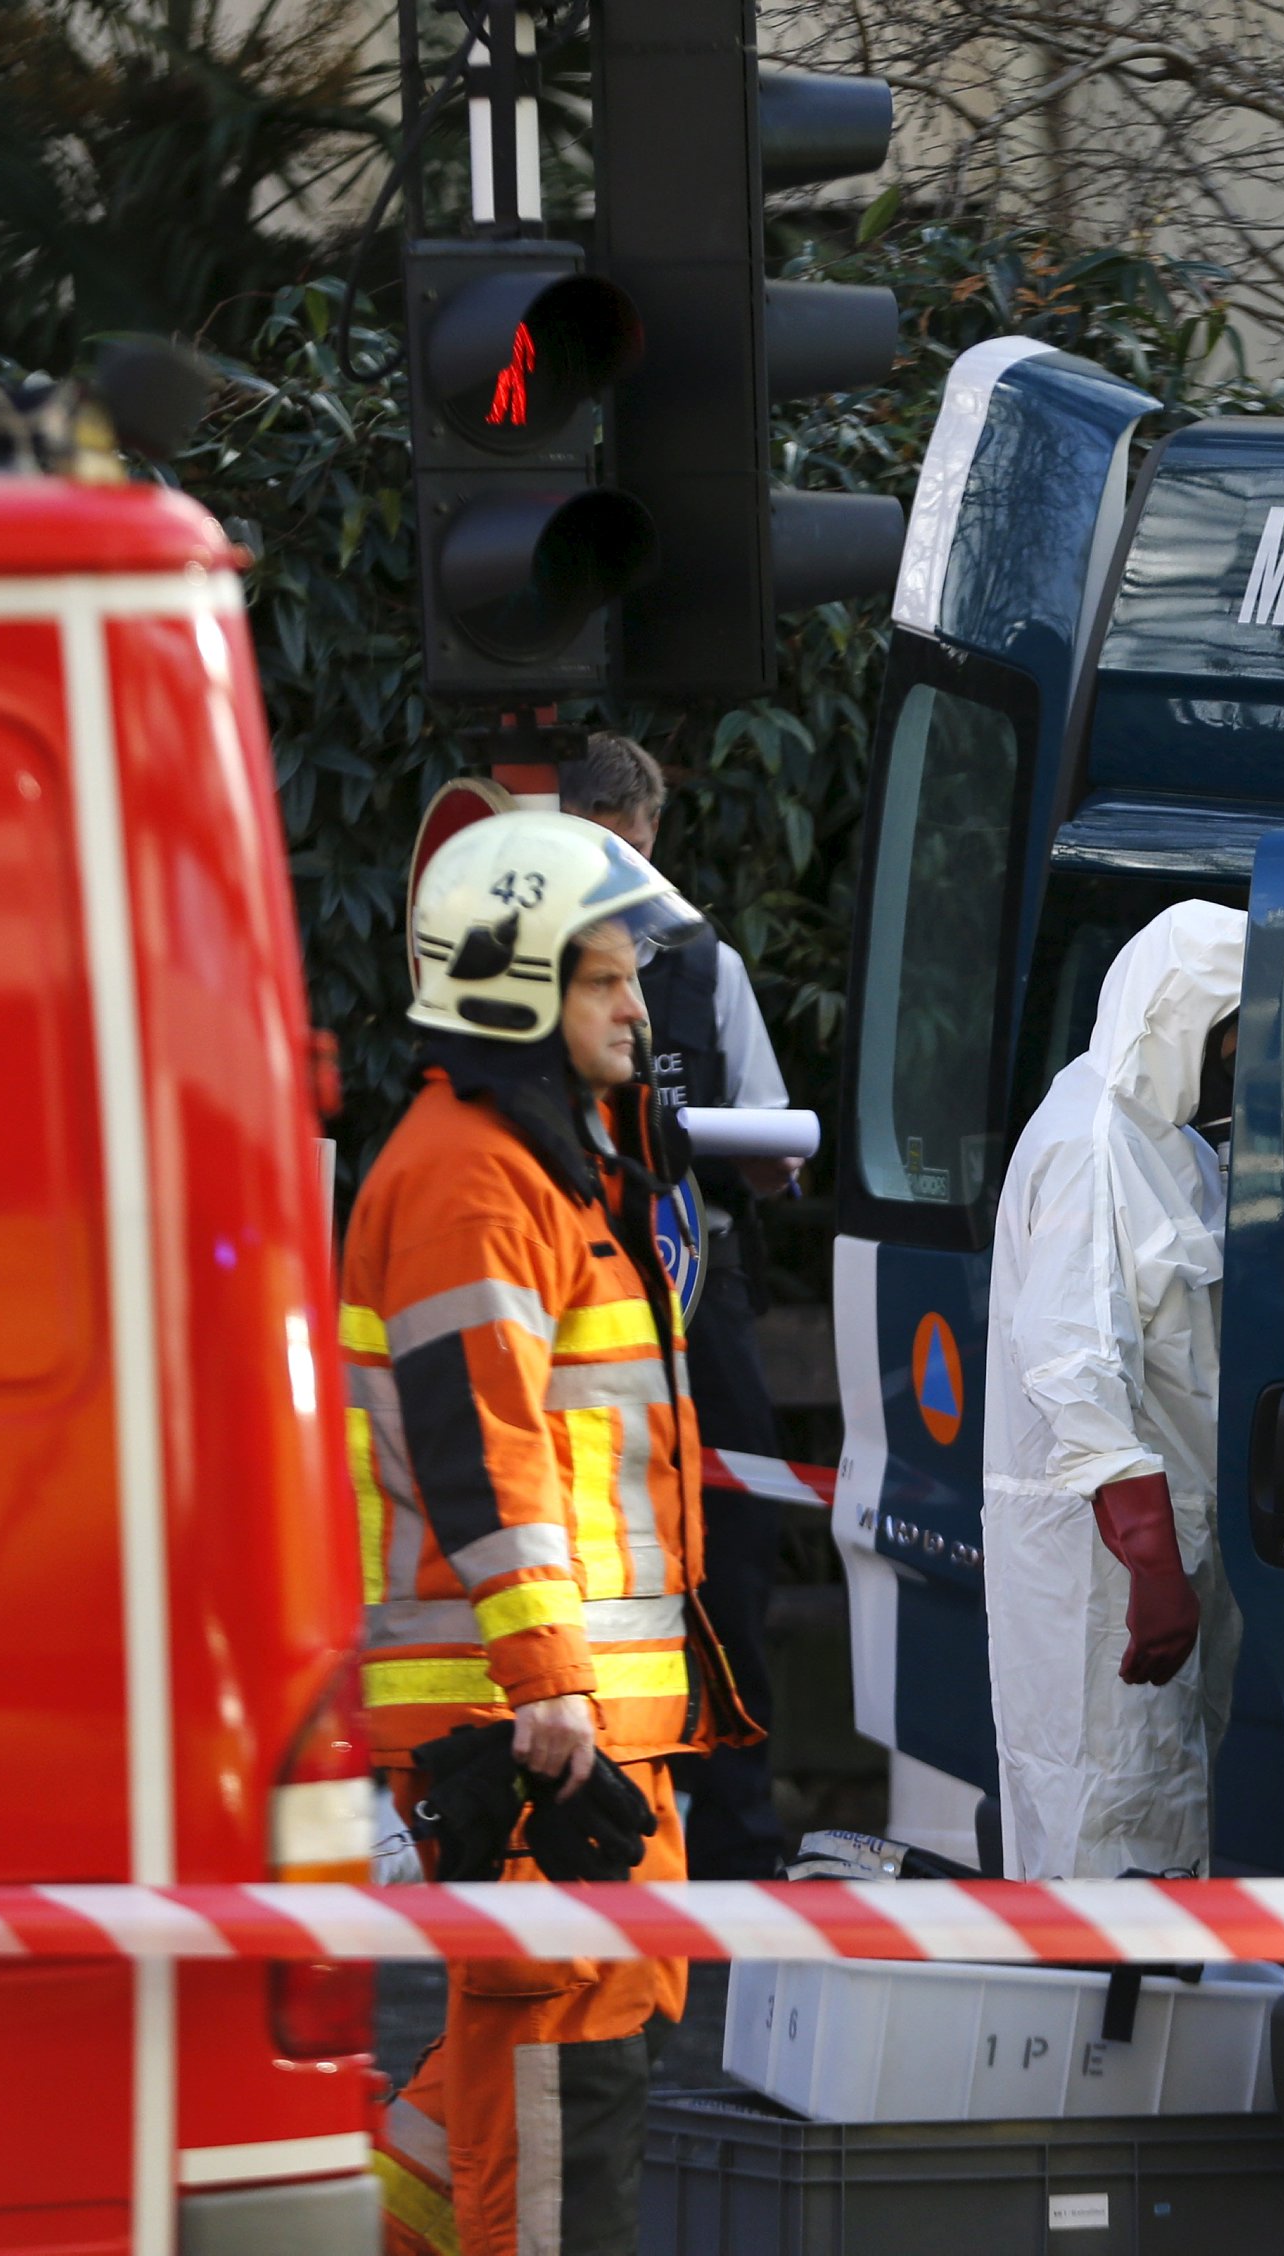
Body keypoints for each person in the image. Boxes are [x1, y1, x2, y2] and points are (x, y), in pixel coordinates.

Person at [345, 809, 746, 2256]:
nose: (639, 1010)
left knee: (563, 2040)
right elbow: (486, 1454)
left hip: (567, 1717)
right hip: (530, 1722)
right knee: (565, 2073)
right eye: (606, 980)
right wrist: (551, 1692)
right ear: (518, 989)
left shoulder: (530, 1163)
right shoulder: (475, 1177)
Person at [561, 731, 798, 1881]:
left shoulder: (706, 968)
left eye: (638, 847)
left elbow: (771, 1136)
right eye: (602, 847)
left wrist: (756, 1153)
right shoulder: (526, 970)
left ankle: (740, 1833)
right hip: (577, 1290)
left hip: (698, 1290)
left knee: (733, 1552)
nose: (625, 870)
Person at [981, 899, 1246, 1879]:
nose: (1241, 1058)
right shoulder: (1090, 1142)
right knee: (1106, 1817)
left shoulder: (1166, 1143)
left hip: (1159, 1547)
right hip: (1099, 1569)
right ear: (1187, 1019)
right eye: (1233, 1033)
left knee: (1160, 1815)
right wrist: (1148, 1556)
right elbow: (1070, 1358)